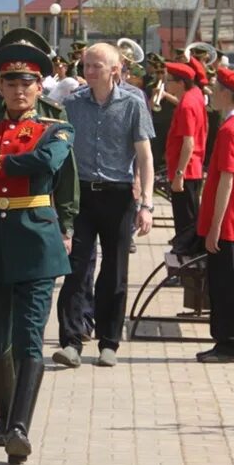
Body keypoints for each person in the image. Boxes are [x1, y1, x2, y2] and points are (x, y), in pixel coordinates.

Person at [0, 41, 76, 465]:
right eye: (10, 82)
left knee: (29, 337)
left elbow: (46, 163)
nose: (18, 90)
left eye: (27, 82)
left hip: (35, 244)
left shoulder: (55, 128)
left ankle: (20, 427)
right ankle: (3, 417)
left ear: (39, 86)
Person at [53, 43, 154, 368]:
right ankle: (71, 340)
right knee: (75, 267)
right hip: (81, 194)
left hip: (118, 195)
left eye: (96, 66)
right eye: (86, 65)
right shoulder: (72, 103)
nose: (89, 71)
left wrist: (147, 204)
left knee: (114, 271)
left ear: (115, 70)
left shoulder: (132, 103)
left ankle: (109, 341)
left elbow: (144, 156)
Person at [195, 67, 234, 364]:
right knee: (223, 280)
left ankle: (230, 343)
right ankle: (225, 340)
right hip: (230, 218)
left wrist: (215, 226)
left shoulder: (231, 129)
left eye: (216, 88)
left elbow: (227, 179)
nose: (212, 93)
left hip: (228, 220)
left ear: (226, 95)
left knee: (227, 283)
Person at [163, 62, 207, 263]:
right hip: (191, 169)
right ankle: (188, 261)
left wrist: (179, 174)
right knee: (189, 220)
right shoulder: (193, 95)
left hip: (186, 172)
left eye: (169, 80)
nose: (165, 83)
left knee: (186, 223)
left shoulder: (188, 104)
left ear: (181, 83)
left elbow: (188, 142)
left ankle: (186, 263)